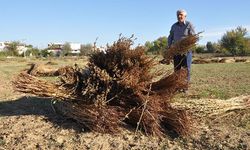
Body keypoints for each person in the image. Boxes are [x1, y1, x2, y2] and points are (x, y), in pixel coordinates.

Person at [167, 9, 195, 92]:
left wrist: (187, 44)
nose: (179, 16)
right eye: (178, 15)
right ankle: (177, 87)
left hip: (186, 51)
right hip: (176, 51)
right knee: (177, 69)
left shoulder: (189, 24)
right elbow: (170, 37)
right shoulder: (174, 26)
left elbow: (193, 37)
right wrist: (169, 46)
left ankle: (185, 87)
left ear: (185, 16)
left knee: (186, 69)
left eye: (181, 15)